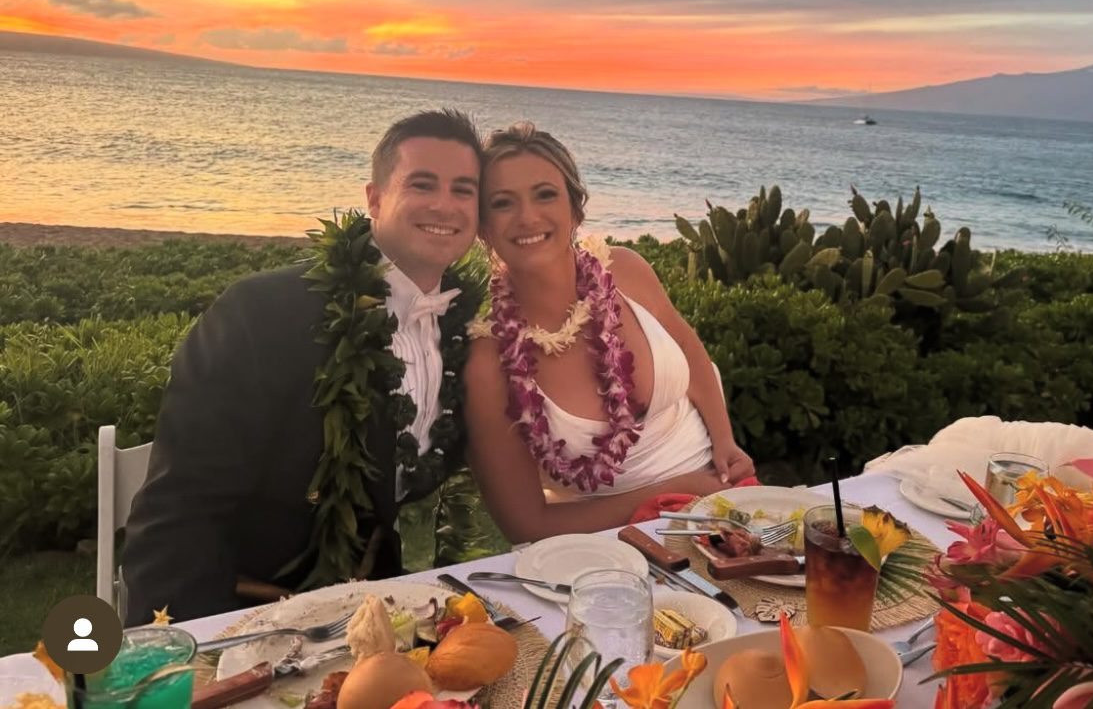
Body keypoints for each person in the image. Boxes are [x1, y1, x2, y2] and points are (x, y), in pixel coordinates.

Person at [120, 109, 485, 624]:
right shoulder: (258, 315)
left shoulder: (463, 330)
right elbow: (178, 515)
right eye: (422, 184)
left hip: (388, 612)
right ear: (375, 198)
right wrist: (184, 658)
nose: (444, 205)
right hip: (249, 613)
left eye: (463, 189)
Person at [464, 122, 754, 543]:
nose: (527, 216)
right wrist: (682, 492)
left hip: (724, 499)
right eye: (502, 203)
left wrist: (726, 443)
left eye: (545, 194)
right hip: (609, 546)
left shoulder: (626, 270)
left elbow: (691, 350)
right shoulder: (489, 363)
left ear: (575, 210)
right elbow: (526, 525)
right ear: (483, 228)